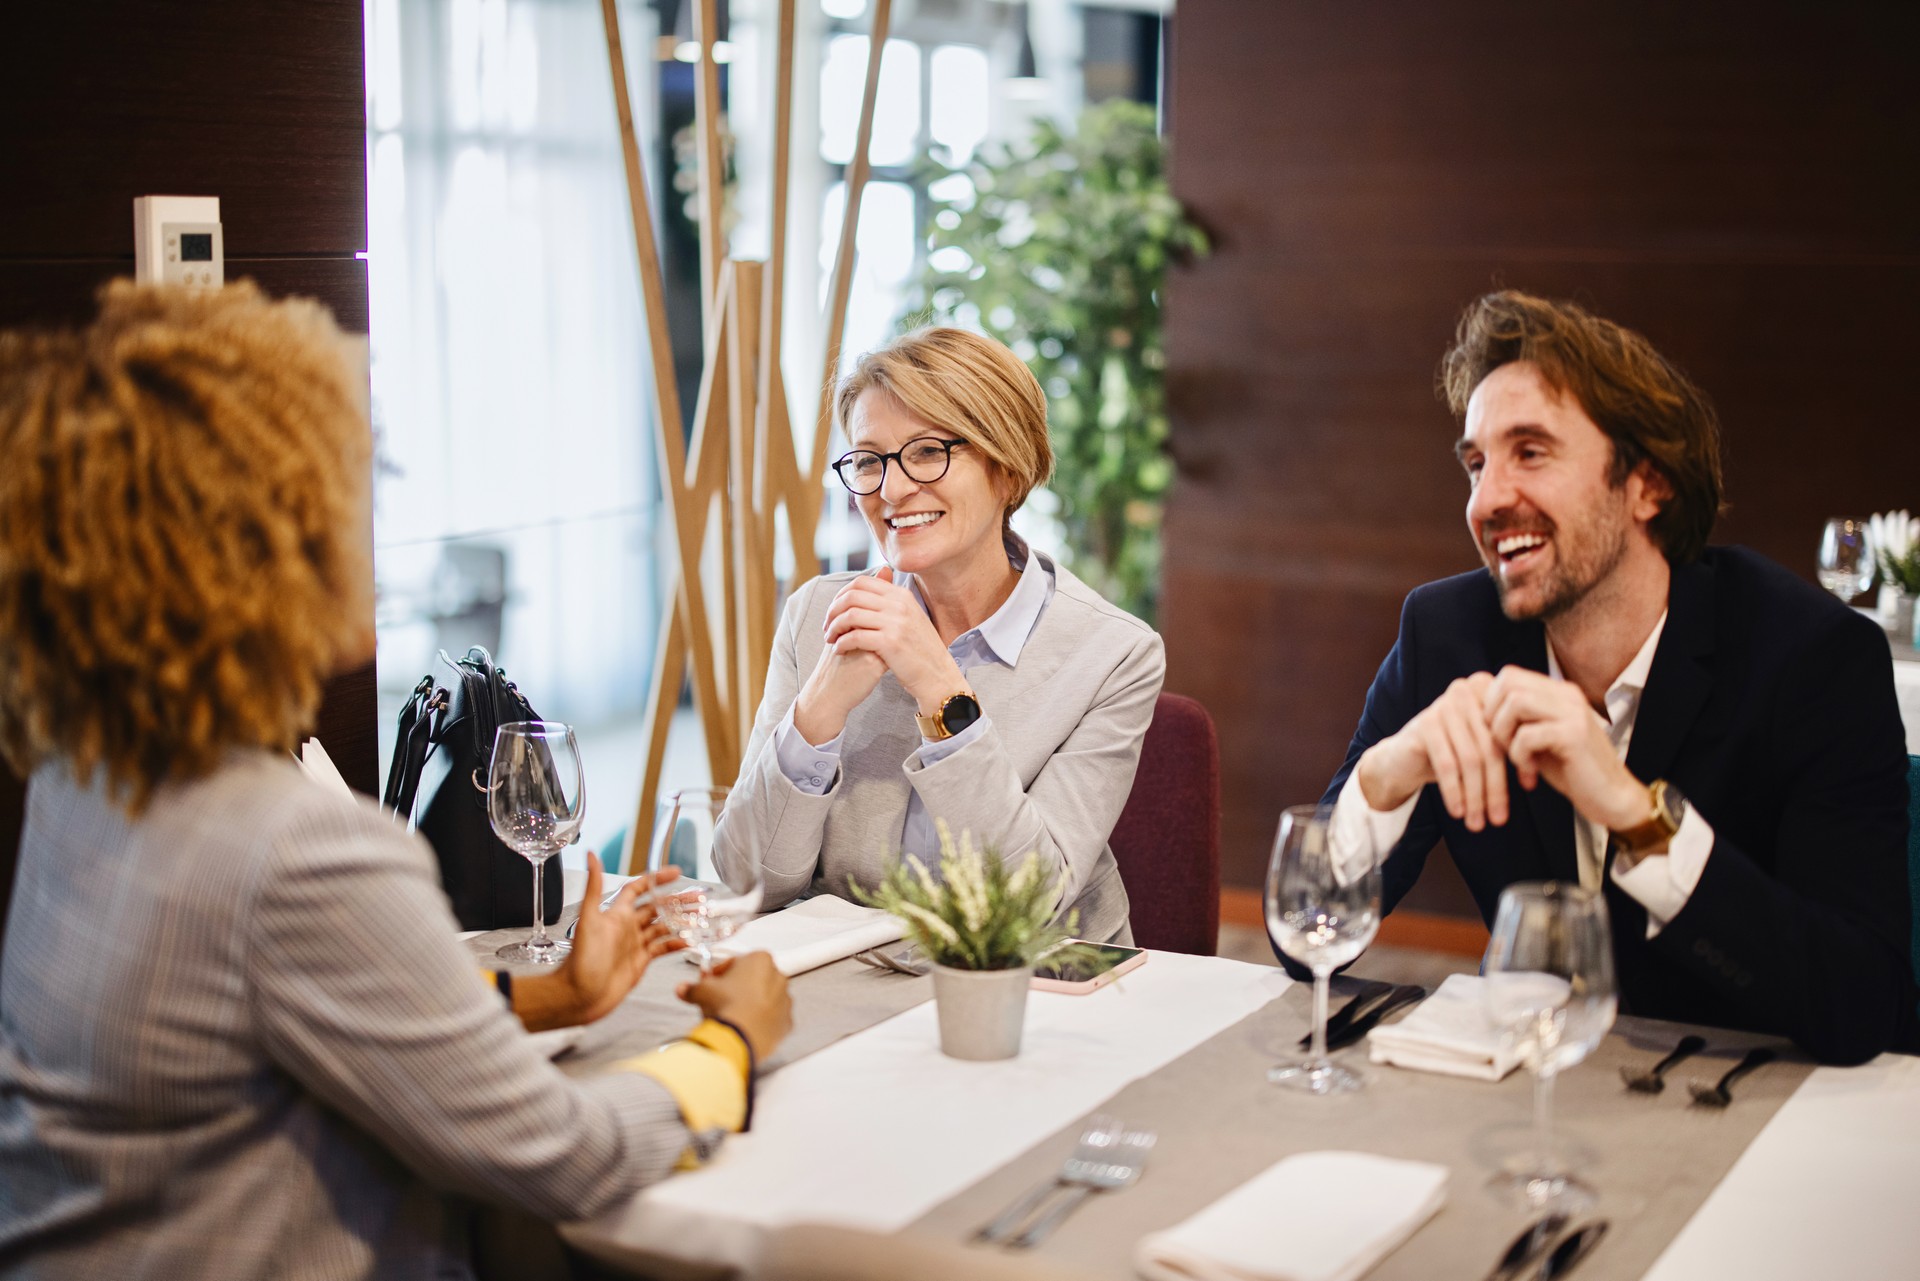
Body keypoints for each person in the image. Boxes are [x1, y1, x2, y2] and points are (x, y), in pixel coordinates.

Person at [0, 281, 793, 1278]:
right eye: (353, 487)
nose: (372, 525)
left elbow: (296, 1019)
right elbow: (569, 1159)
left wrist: (549, 995)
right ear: (256, 543)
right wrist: (732, 1045)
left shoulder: (86, 780)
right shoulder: (297, 851)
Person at [1298, 289, 1917, 1065]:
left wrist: (1637, 815)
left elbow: (1867, 1006)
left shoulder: (1811, 659)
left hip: (1745, 1103)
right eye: (1477, 463)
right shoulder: (1446, 637)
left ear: (1647, 484)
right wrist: (1382, 779)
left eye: (1531, 451)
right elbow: (1304, 944)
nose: (1487, 500)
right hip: (1528, 1088)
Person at [713, 328, 1164, 943]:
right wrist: (819, 708)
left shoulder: (1115, 655)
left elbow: (1028, 908)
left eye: (927, 452)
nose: (892, 491)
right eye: (869, 461)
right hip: (853, 984)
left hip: (1039, 994)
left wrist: (937, 683)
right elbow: (745, 882)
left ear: (1006, 471)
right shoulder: (819, 612)